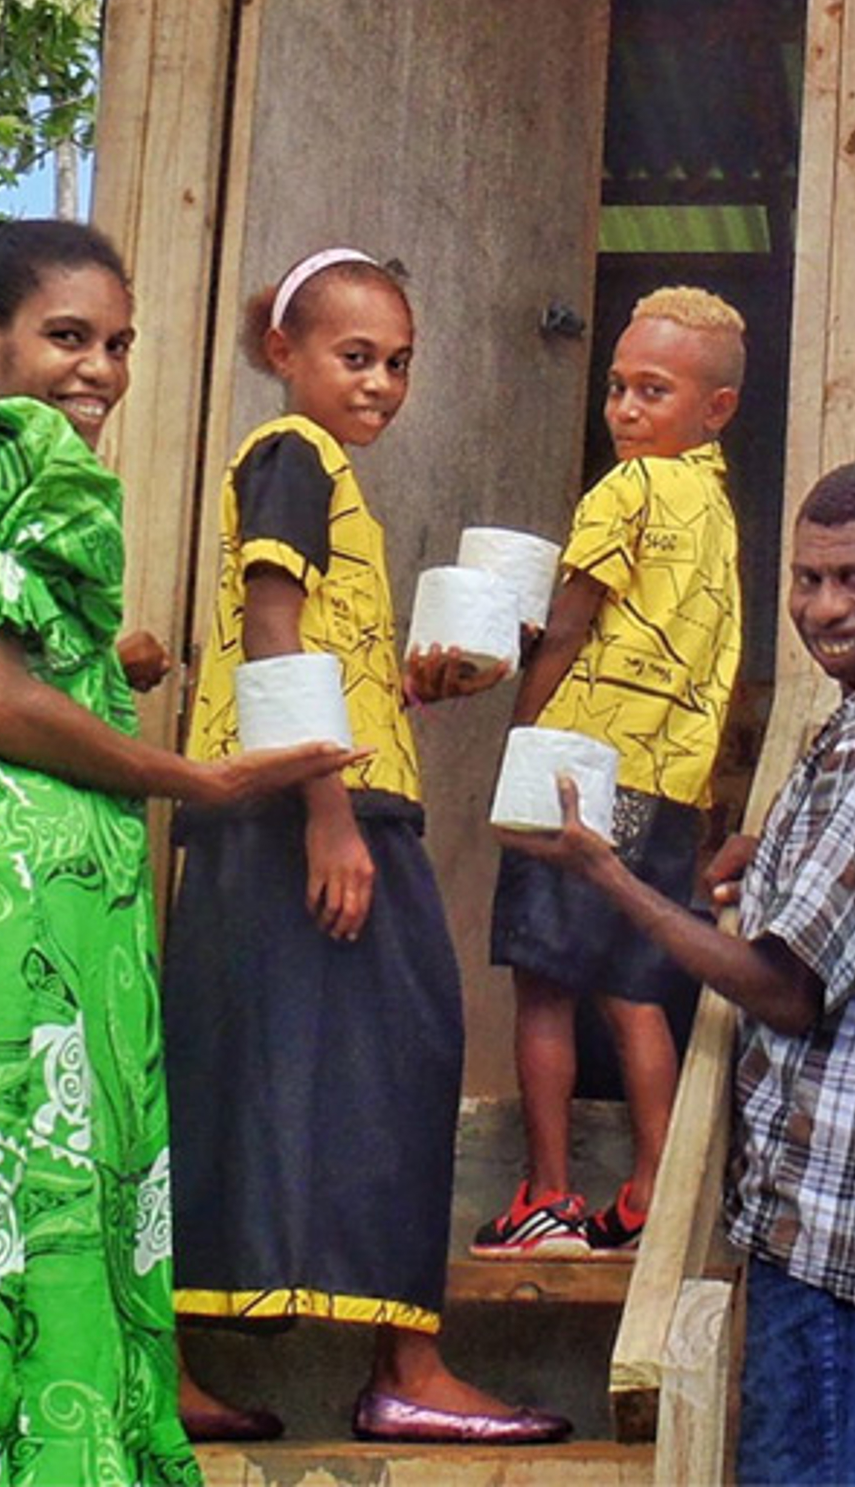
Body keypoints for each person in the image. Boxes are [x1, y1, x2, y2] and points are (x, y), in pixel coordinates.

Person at [0, 219, 353, 1487]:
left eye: (118, 343)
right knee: (33, 1207)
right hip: (19, 928)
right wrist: (187, 774)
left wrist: (109, 666)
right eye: (67, 337)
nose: (98, 370)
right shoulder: (32, 454)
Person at [512, 459, 855, 1485]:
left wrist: (609, 873)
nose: (824, 608)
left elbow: (784, 985)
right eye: (805, 578)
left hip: (841, 1236)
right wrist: (778, 856)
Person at [163, 247, 570, 1446]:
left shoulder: (320, 471)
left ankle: (225, 1357)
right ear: (282, 354)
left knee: (260, 1067)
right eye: (355, 356)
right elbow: (271, 627)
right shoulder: (293, 454)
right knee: (397, 1050)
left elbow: (315, 644)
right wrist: (330, 812)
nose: (382, 382)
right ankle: (403, 1368)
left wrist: (406, 687)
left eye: (398, 362)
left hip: (304, 799)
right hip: (304, 812)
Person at [474, 286, 745, 1259]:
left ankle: (547, 1195)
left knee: (546, 984)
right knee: (635, 987)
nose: (626, 409)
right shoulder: (716, 515)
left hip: (576, 768)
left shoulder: (623, 492)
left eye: (653, 390)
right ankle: (650, 1194)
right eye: (618, 386)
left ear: (713, 409)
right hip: (666, 786)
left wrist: (521, 733)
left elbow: (572, 623)